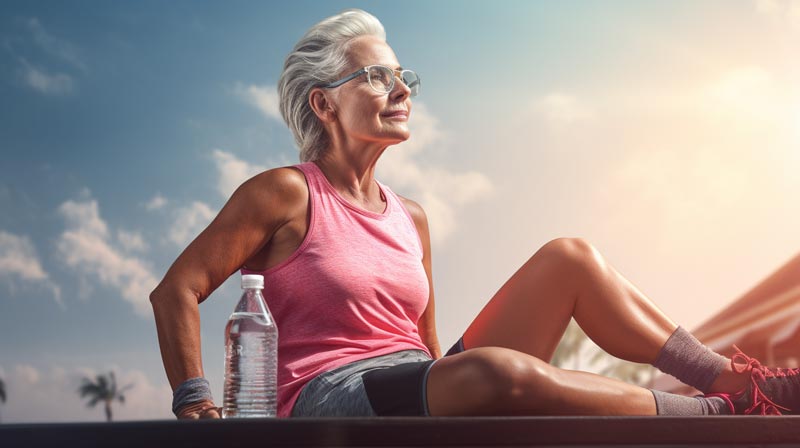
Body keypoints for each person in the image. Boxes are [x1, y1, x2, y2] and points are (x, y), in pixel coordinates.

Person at [150, 8, 800, 420]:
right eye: (377, 77)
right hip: (333, 399)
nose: (402, 90)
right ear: (323, 105)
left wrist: (448, 390)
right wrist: (195, 400)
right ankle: (713, 416)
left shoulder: (413, 217)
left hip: (417, 386)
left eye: (404, 76)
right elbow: (176, 289)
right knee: (492, 371)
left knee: (568, 259)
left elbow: (426, 351)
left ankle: (737, 383)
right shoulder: (285, 193)